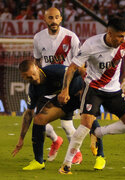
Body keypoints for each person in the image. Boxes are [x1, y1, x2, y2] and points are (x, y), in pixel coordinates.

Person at [57, 17, 125, 174]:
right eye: (119, 36)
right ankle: (66, 165)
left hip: (114, 91)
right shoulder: (91, 45)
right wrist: (65, 90)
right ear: (109, 33)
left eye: (124, 35)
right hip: (93, 89)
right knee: (85, 126)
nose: (122, 39)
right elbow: (72, 68)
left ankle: (98, 133)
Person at [33, 7, 82, 163]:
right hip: (47, 86)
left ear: (61, 19)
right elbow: (37, 61)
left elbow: (79, 62)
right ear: (45, 19)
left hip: (66, 86)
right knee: (39, 121)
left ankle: (77, 153)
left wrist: (79, 85)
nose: (53, 21)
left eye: (56, 18)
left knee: (67, 124)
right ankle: (56, 140)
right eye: (50, 18)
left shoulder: (71, 37)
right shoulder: (38, 38)